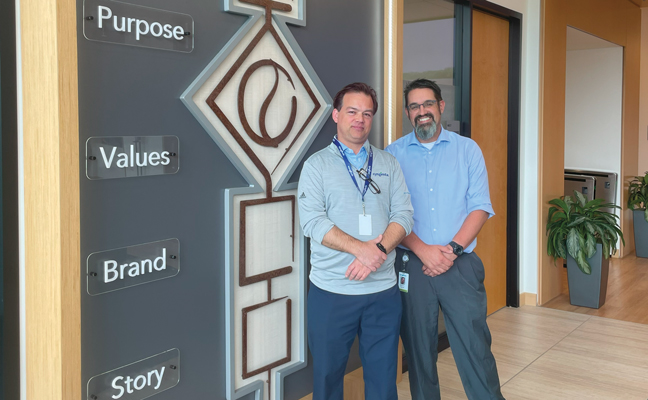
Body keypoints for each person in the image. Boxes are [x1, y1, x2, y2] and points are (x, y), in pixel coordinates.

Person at [385, 78, 505, 400]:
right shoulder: (392, 155)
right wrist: (425, 251)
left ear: (441, 107)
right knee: (419, 354)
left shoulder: (467, 149)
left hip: (460, 266)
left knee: (474, 347)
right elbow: (392, 214)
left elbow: (480, 206)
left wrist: (450, 251)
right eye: (414, 106)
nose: (422, 112)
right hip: (412, 266)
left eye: (427, 104)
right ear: (408, 113)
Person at [298, 82, 414, 400]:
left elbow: (404, 215)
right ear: (336, 115)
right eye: (352, 111)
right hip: (333, 291)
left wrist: (376, 250)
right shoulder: (316, 166)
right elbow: (312, 222)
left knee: (382, 379)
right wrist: (361, 250)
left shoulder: (388, 163)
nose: (359, 119)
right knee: (327, 377)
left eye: (366, 113)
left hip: (382, 294)